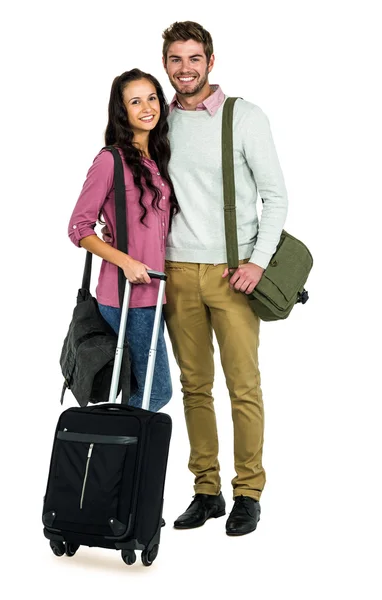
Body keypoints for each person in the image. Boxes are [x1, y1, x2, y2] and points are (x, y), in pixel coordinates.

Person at [161, 21, 289, 535]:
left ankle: (248, 491)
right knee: (194, 387)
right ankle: (206, 489)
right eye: (176, 59)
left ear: (211, 62)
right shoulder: (160, 121)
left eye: (195, 58)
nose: (185, 68)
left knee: (243, 387)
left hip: (233, 273)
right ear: (166, 64)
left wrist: (256, 261)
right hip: (175, 271)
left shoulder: (244, 117)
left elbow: (275, 196)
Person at [68, 68, 179, 412]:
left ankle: (119, 461)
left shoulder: (157, 160)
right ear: (122, 111)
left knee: (140, 389)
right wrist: (125, 260)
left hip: (156, 294)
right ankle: (111, 460)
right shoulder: (109, 160)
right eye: (135, 101)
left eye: (152, 98)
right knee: (155, 392)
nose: (147, 107)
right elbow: (78, 227)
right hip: (128, 295)